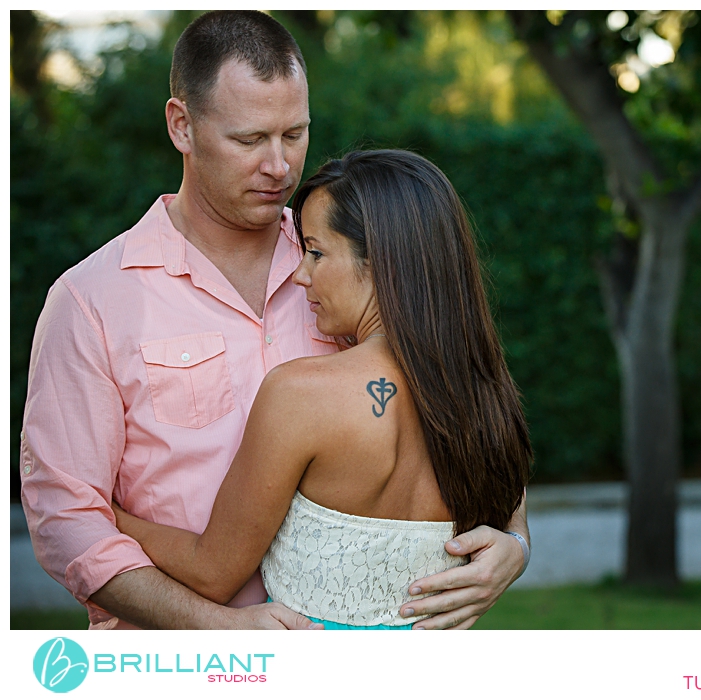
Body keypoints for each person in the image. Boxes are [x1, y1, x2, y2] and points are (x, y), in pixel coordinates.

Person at [20, 10, 529, 631]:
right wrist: (218, 627)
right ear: (182, 125)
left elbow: (457, 393)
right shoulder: (90, 301)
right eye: (249, 140)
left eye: (295, 134)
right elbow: (66, 518)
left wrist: (515, 540)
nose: (280, 166)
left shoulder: (347, 266)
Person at [111, 149, 533, 629]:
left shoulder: (301, 395)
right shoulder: (485, 394)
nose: (301, 274)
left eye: (315, 251)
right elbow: (509, 506)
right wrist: (518, 543)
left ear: (380, 263)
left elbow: (213, 572)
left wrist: (111, 515)